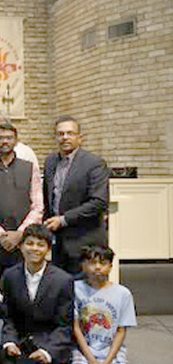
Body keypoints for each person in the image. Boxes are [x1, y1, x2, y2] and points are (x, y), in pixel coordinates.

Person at [0, 225, 73, 364]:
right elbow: (7, 316)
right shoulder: (10, 275)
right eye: (29, 243)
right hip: (20, 342)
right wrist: (9, 341)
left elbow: (65, 325)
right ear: (21, 247)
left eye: (40, 245)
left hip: (46, 342)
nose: (34, 249)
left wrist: (48, 351)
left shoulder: (63, 280)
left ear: (48, 249)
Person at [67, 246, 137, 364]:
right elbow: (76, 327)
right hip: (84, 350)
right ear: (83, 266)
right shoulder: (74, 289)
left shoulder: (123, 294)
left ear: (111, 266)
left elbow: (121, 331)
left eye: (103, 263)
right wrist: (92, 361)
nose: (97, 267)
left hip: (111, 351)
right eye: (92, 263)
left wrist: (106, 363)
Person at [0, 123, 44, 273]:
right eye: (0, 138)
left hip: (25, 241)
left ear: (16, 141)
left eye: (9, 138)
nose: (5, 141)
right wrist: (0, 236)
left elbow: (38, 206)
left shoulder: (30, 168)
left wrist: (20, 234)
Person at [43, 116, 109, 274]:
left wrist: (63, 220)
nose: (65, 137)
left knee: (83, 288)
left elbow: (99, 202)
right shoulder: (50, 162)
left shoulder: (94, 164)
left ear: (80, 137)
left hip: (84, 242)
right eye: (60, 134)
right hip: (57, 245)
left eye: (70, 133)